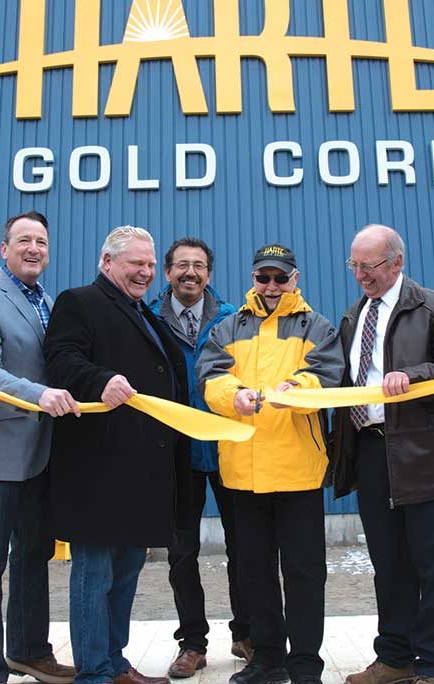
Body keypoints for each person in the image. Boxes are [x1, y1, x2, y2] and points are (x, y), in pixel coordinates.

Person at [330, 224, 434, 684]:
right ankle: (395, 657)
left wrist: (417, 374)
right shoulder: (354, 316)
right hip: (372, 451)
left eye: (368, 265)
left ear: (396, 262)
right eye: (354, 265)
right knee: (389, 564)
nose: (360, 275)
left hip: (424, 453)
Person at [44, 225, 191, 684]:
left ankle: (115, 661)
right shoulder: (80, 301)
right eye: (136, 265)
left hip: (141, 468)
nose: (146, 273)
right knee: (95, 574)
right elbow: (61, 359)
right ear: (107, 263)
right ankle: (93, 671)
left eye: (150, 265)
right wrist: (99, 379)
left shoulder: (143, 312)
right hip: (98, 467)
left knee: (127, 571)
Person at [198, 243, 343, 684]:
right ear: (253, 279)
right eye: (264, 277)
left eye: (281, 278)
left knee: (304, 575)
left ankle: (304, 663)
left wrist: (295, 387)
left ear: (295, 279)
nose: (272, 286)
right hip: (244, 472)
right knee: (254, 574)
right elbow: (210, 378)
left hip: (299, 471)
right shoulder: (227, 327)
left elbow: (328, 373)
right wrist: (232, 396)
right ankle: (267, 660)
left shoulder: (317, 325)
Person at [0, 210, 79, 684]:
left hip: (40, 454)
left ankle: (28, 651)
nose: (33, 249)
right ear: (4, 249)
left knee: (33, 556)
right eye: (23, 240)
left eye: (41, 241)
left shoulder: (46, 301)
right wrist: (41, 395)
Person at [149, 237, 250, 676]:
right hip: (175, 452)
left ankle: (246, 633)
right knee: (181, 551)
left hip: (229, 446)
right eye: (181, 266)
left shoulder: (232, 320)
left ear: (210, 274)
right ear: (167, 272)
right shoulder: (148, 320)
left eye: (199, 266)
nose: (190, 273)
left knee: (245, 546)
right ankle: (192, 642)